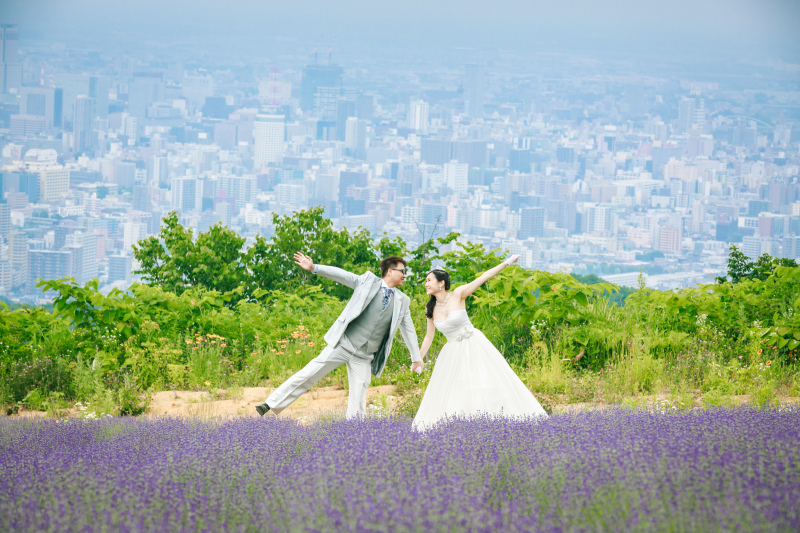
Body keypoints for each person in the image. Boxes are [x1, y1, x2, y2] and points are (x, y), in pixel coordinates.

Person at [255, 252, 423, 419]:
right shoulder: (367, 281)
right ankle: (270, 404)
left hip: (364, 355)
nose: (405, 275)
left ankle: (352, 435)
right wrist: (314, 268)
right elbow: (342, 275)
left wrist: (416, 358)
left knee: (358, 396)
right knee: (310, 372)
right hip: (344, 344)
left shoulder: (403, 301)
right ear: (390, 271)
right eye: (402, 271)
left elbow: (409, 330)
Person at [412, 255, 548, 430]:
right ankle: (459, 428)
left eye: (429, 280)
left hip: (473, 346)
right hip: (452, 354)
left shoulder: (458, 294)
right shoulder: (430, 308)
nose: (426, 284)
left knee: (484, 384)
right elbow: (429, 337)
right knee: (455, 392)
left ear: (441, 283)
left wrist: (507, 263)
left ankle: (495, 424)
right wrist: (419, 359)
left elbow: (484, 277)